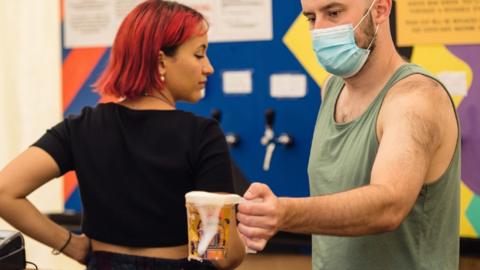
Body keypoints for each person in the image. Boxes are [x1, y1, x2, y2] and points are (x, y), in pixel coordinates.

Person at [0, 1, 245, 269]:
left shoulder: (81, 126)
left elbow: (4, 192)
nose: (208, 67)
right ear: (161, 62)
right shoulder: (202, 135)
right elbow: (223, 256)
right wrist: (244, 238)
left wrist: (70, 243)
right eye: (199, 54)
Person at [237, 0, 460, 269]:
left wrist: (283, 213)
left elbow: (388, 205)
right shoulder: (331, 90)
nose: (319, 30)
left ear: (379, 9)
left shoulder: (416, 98)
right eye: (310, 18)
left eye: (333, 13)